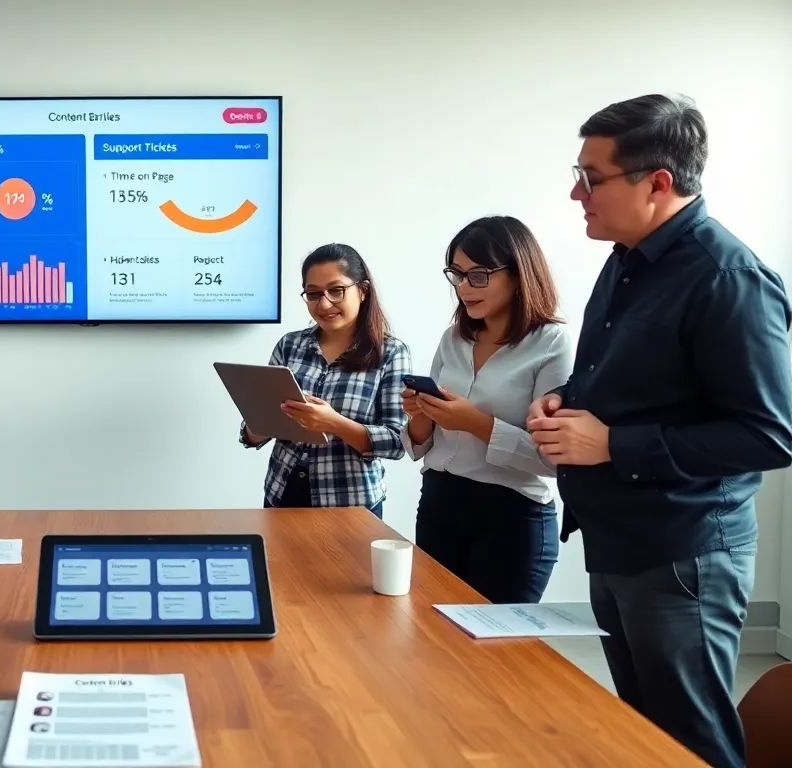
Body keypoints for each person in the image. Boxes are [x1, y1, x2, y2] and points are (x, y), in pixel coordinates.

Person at [527, 94, 792, 767]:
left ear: (658, 182)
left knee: (691, 744)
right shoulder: (626, 260)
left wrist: (613, 443)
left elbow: (770, 434)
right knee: (643, 741)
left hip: (683, 555)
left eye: (591, 176)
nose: (575, 192)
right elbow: (628, 385)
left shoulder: (727, 278)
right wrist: (563, 401)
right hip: (619, 539)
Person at [401, 216, 572, 604]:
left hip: (511, 519)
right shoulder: (454, 337)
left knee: (495, 657)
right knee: (432, 641)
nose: (463, 287)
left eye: (478, 275)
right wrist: (421, 416)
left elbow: (554, 461)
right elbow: (420, 447)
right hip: (439, 505)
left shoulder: (552, 343)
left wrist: (477, 424)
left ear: (518, 274)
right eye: (457, 275)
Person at [240, 244, 411, 515]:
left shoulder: (390, 353)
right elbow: (252, 433)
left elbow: (397, 441)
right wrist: (261, 424)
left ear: (362, 290)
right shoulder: (290, 345)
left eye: (336, 290)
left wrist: (333, 423)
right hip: (282, 493)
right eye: (313, 293)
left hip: (351, 504)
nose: (324, 303)